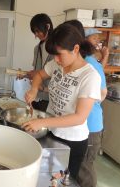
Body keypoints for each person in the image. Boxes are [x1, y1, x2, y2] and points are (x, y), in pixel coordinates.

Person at [22, 23, 101, 181]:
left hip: (72, 141)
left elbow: (79, 117)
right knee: (46, 178)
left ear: (76, 49)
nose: (56, 60)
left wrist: (42, 122)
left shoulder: (89, 76)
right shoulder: (56, 65)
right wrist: (34, 90)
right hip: (51, 133)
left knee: (62, 181)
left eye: (59, 55)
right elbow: (39, 75)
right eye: (54, 55)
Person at [64, 20, 108, 187]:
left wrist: (85, 104)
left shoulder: (89, 64)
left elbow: (102, 93)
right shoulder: (74, 61)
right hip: (75, 126)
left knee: (85, 171)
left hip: (89, 126)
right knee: (74, 170)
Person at [19, 13, 54, 112]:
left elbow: (58, 72)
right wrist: (25, 75)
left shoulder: (57, 48)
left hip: (50, 98)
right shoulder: (37, 48)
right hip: (37, 95)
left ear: (47, 27)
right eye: (34, 32)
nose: (36, 35)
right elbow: (37, 72)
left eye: (38, 31)